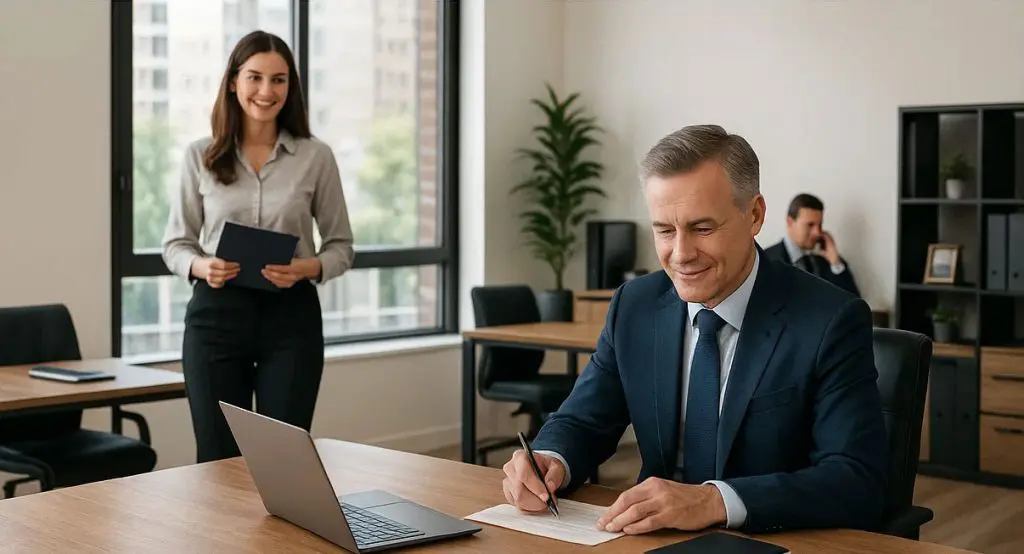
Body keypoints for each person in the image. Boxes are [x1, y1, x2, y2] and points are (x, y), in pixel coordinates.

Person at [500, 125, 887, 535]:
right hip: (650, 541)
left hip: (770, 540)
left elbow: (856, 479)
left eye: (702, 229)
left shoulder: (830, 319)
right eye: (665, 231)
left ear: (754, 215)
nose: (681, 254)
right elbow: (583, 420)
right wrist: (550, 459)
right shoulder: (635, 306)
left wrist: (714, 501)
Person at [162, 30, 354, 463]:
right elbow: (175, 244)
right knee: (216, 458)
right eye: (255, 77)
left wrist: (306, 268)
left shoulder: (315, 156)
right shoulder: (200, 154)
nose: (266, 91)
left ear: (291, 87)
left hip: (291, 321)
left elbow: (342, 245)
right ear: (233, 81)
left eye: (279, 80)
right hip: (216, 319)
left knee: (284, 460)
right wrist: (201, 267)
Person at [763, 193, 861, 297]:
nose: (817, 232)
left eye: (820, 225)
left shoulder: (827, 261)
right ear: (790, 222)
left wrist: (835, 262)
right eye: (810, 225)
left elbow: (854, 303)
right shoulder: (765, 260)